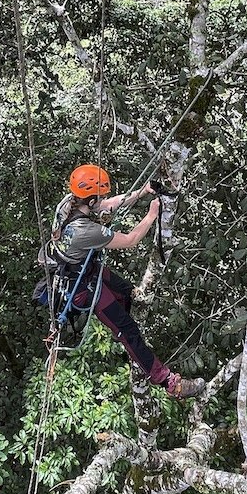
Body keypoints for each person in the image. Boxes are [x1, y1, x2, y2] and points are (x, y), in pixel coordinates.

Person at [49, 163, 204, 400]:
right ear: (90, 201)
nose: (105, 199)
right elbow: (131, 239)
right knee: (128, 329)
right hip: (82, 288)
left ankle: (125, 332)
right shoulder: (84, 231)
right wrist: (152, 214)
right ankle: (168, 382)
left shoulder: (68, 203)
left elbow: (108, 205)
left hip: (84, 270)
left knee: (127, 292)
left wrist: (141, 193)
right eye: (100, 197)